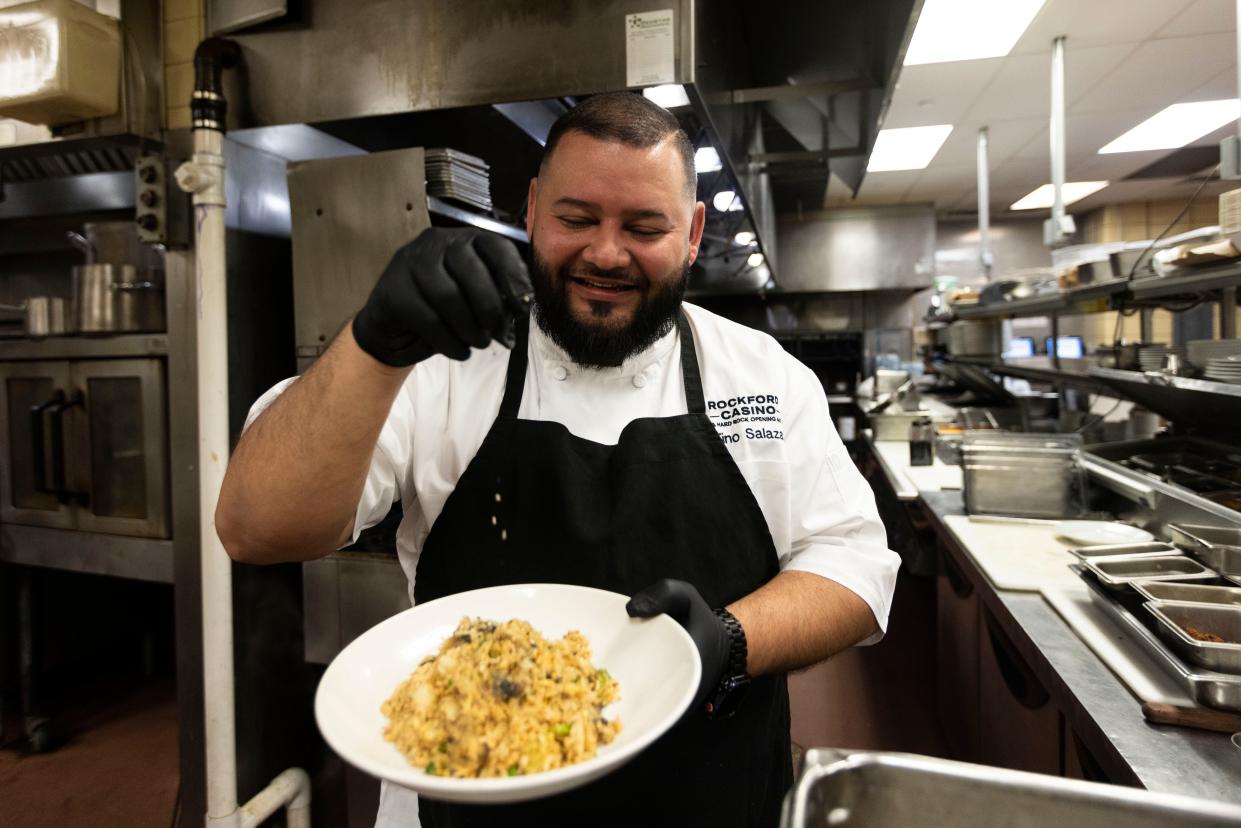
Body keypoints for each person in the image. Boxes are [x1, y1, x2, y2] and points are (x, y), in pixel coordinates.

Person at [216, 92, 899, 827]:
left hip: (713, 795)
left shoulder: (763, 376)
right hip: (462, 790)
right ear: (534, 209)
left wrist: (734, 639)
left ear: (694, 233)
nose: (605, 254)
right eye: (576, 219)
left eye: (644, 227)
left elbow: (852, 567)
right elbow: (256, 528)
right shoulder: (443, 365)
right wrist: (372, 344)